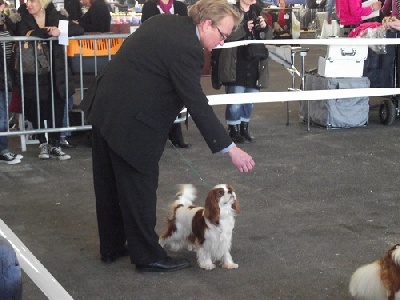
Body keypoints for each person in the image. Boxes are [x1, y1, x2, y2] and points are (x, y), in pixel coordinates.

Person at [80, 0, 255, 272]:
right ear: (207, 23)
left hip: (104, 109)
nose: (221, 42)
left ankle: (112, 246)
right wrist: (230, 148)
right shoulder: (188, 49)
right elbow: (196, 101)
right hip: (132, 122)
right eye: (222, 35)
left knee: (109, 186)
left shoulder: (163, 23)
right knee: (140, 189)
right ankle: (148, 256)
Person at [17, 0, 84, 160]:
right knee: (36, 107)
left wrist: (60, 31)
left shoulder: (57, 15)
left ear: (43, 2)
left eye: (32, 1)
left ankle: (55, 144)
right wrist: (49, 32)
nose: (29, 4)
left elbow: (79, 29)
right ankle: (42, 143)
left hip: (56, 71)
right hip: (34, 71)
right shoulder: (22, 17)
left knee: (58, 107)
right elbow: (23, 32)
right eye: (27, 1)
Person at [212, 0, 269, 144]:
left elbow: (267, 37)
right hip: (235, 62)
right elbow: (224, 34)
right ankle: (233, 129)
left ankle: (244, 127)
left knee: (250, 100)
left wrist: (264, 27)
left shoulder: (258, 11)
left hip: (255, 62)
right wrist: (243, 27)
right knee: (235, 100)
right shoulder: (229, 11)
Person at [141, 0, 191, 149]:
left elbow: (186, 28)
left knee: (176, 95)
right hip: (156, 57)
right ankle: (156, 136)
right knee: (156, 96)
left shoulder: (181, 7)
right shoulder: (149, 6)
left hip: (177, 57)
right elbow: (147, 27)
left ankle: (176, 135)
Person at [0, 0, 23, 164]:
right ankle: (3, 150)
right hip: (3, 74)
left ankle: (3, 149)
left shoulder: (6, 21)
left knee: (3, 111)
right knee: (1, 113)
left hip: (6, 73)